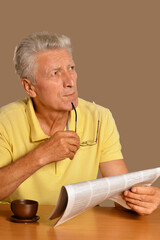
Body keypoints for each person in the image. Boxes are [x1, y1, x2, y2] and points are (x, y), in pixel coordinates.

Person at [0, 32, 159, 215]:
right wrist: (43, 154)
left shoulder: (99, 117)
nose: (70, 81)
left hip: (81, 225)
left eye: (71, 68)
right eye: (55, 73)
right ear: (29, 87)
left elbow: (120, 191)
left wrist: (141, 199)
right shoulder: (5, 121)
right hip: (18, 227)